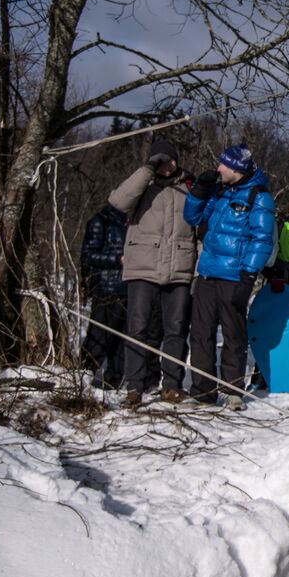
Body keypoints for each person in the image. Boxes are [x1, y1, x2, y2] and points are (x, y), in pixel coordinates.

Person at [183, 143, 276, 403]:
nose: (218, 168)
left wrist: (248, 275)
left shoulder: (259, 196)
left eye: (224, 164)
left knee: (234, 334)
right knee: (201, 333)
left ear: (238, 169)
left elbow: (262, 238)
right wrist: (199, 191)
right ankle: (202, 389)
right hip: (207, 273)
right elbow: (192, 218)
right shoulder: (219, 191)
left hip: (234, 276)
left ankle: (232, 389)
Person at [108, 140, 197, 406]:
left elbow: (200, 229)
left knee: (176, 329)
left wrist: (198, 265)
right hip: (142, 268)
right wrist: (147, 169)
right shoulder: (141, 186)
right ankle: (134, 386)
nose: (167, 166)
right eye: (161, 161)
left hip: (179, 268)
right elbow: (117, 202)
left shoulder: (189, 188)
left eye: (171, 160)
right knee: (138, 327)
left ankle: (171, 385)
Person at [79, 204, 128, 388]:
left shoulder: (139, 221)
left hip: (131, 289)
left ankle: (113, 385)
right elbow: (87, 255)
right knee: (98, 339)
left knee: (122, 343)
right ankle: (81, 378)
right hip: (107, 289)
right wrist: (117, 260)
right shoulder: (101, 220)